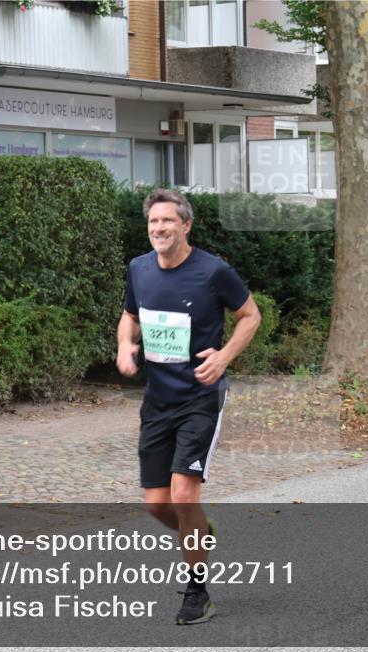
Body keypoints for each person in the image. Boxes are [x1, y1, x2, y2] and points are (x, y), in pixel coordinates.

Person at [117, 188, 261, 625]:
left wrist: (223, 357)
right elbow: (130, 315)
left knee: (183, 495)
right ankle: (199, 530)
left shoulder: (213, 271)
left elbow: (250, 315)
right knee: (157, 505)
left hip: (201, 397)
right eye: (153, 222)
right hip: (158, 400)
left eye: (167, 221)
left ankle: (198, 591)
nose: (159, 229)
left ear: (186, 225)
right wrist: (126, 346)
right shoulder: (139, 269)